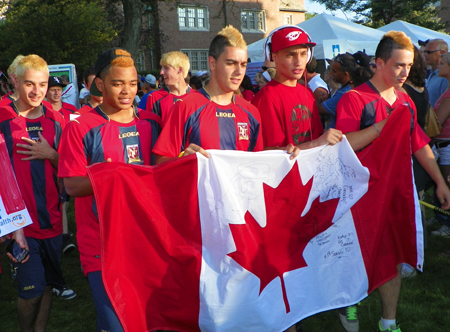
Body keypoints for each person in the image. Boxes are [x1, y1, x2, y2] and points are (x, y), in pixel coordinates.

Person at [336, 31, 450, 332]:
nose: (405, 72)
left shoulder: (406, 101)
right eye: (398, 65)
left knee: (392, 255)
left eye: (409, 66)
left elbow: (420, 145)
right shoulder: (354, 98)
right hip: (360, 194)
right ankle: (350, 301)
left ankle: (389, 322)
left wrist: (440, 182)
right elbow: (345, 144)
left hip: (397, 192)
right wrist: (383, 126)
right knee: (357, 254)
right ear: (379, 63)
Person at [58, 48, 161, 332]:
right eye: (118, 83)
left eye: (132, 83)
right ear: (100, 85)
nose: (127, 91)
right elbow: (72, 185)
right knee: (116, 325)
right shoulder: (80, 126)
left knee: (148, 322)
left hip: (145, 241)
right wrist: (116, 174)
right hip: (101, 246)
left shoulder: (152, 122)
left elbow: (164, 173)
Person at [0, 54, 74, 332]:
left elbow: (71, 169)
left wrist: (51, 154)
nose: (37, 91)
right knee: (30, 290)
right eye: (29, 84)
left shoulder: (57, 121)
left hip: (52, 220)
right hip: (21, 225)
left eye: (42, 84)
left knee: (47, 283)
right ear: (16, 82)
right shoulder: (2, 118)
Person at [153, 25, 299, 164]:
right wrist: (182, 159)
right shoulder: (185, 107)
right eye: (231, 63)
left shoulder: (251, 112)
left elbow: (258, 165)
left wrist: (284, 155)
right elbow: (160, 162)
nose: (239, 71)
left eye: (243, 64)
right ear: (212, 63)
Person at [252, 26, 342, 153]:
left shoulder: (307, 92)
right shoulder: (266, 98)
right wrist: (317, 143)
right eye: (290, 55)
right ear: (274, 57)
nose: (299, 62)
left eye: (303, 54)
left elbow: (316, 137)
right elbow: (269, 153)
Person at [429, 51, 450, 238]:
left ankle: (447, 224)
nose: (438, 66)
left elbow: (438, 122)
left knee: (447, 185)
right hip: (443, 146)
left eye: (442, 63)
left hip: (446, 147)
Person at [146, 51, 193, 125]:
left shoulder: (198, 97)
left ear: (180, 70)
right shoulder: (155, 98)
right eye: (161, 68)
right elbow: (152, 131)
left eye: (166, 68)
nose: (161, 72)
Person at [317, 53, 358, 130]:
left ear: (346, 74)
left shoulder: (345, 93)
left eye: (334, 71)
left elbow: (319, 109)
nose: (330, 73)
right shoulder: (345, 88)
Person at [424, 38, 448, 107]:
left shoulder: (445, 77)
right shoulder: (431, 73)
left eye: (429, 52)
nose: (425, 55)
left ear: (442, 53)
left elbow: (445, 105)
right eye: (424, 52)